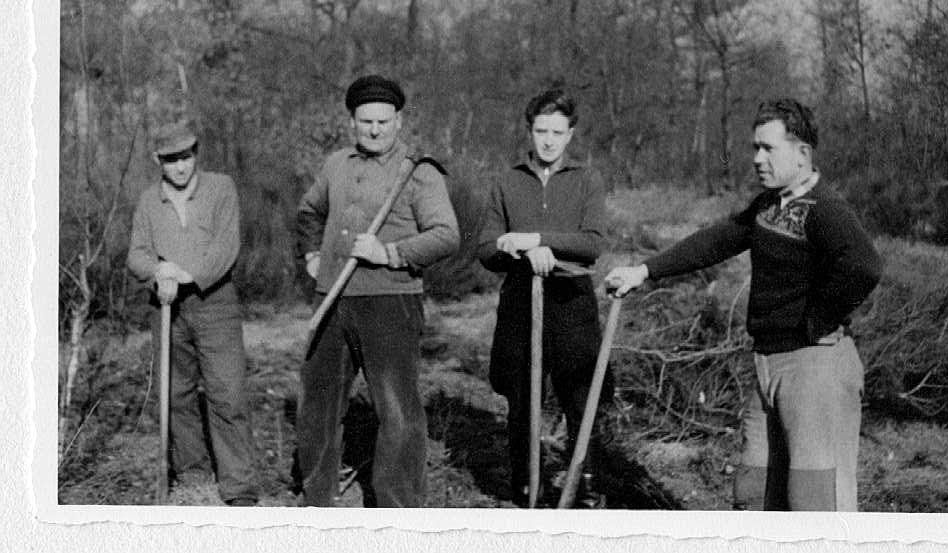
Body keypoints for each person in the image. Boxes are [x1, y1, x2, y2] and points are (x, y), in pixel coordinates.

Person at [605, 98, 882, 512]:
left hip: (815, 369)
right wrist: (644, 271)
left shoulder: (825, 210)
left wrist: (814, 321)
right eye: (755, 147)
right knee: (753, 495)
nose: (757, 158)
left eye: (768, 148)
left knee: (816, 505)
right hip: (766, 367)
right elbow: (717, 240)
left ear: (802, 153)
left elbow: (864, 266)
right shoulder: (769, 206)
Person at [295, 74, 460, 507]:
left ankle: (398, 508)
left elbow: (446, 235)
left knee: (396, 408)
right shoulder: (336, 165)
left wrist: (389, 253)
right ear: (352, 121)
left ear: (399, 121)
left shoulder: (419, 173)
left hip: (390, 302)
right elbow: (309, 210)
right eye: (365, 121)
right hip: (331, 300)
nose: (374, 130)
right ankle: (317, 498)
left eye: (383, 122)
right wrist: (313, 255)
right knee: (319, 403)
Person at [477, 88, 613, 508]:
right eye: (541, 130)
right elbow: (484, 248)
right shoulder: (507, 180)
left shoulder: (587, 179)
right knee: (522, 398)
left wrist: (539, 240)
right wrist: (513, 248)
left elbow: (592, 244)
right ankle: (525, 485)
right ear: (529, 131)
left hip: (572, 303)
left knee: (580, 397)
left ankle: (584, 485)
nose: (548, 140)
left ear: (571, 134)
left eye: (557, 131)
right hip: (521, 304)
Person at [126, 120, 260, 506]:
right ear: (157, 160)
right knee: (177, 394)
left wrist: (187, 274)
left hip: (214, 302)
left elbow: (226, 247)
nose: (181, 167)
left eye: (186, 157)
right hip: (167, 306)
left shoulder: (221, 188)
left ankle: (239, 488)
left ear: (196, 153)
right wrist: (157, 271)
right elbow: (136, 253)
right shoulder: (149, 201)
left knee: (227, 393)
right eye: (171, 160)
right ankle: (193, 476)